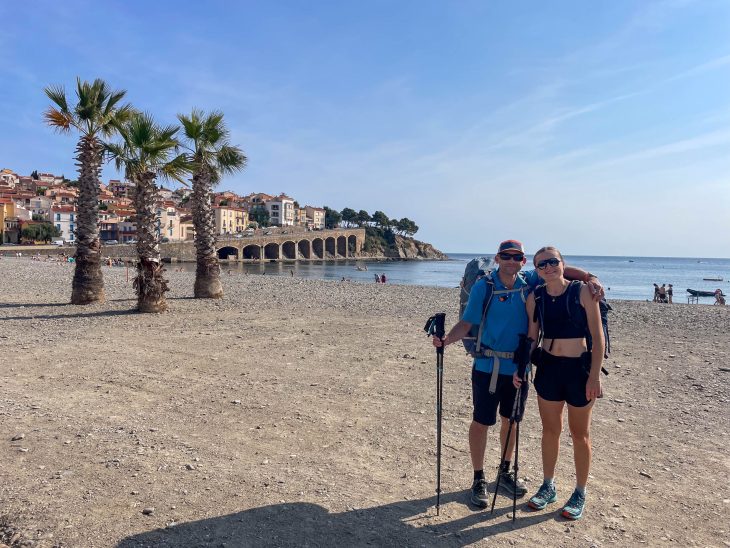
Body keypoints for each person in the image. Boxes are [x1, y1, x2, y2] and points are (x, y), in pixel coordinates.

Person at [432, 240, 603, 509]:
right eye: (506, 256)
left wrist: (590, 277)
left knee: (511, 422)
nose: (511, 260)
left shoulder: (530, 280)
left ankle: (505, 471)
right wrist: (446, 340)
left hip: (519, 368)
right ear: (497, 258)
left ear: (523, 262)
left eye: (517, 257)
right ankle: (478, 478)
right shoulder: (484, 287)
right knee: (481, 422)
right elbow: (467, 322)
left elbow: (562, 272)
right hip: (487, 365)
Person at [515, 246, 604, 521]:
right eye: (542, 265)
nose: (549, 267)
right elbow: (533, 337)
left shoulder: (583, 292)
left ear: (563, 264)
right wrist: (522, 367)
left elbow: (598, 338)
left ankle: (580, 491)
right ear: (537, 270)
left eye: (553, 262)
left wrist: (594, 376)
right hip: (549, 368)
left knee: (580, 434)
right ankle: (548, 485)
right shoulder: (535, 297)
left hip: (579, 370)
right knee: (550, 430)